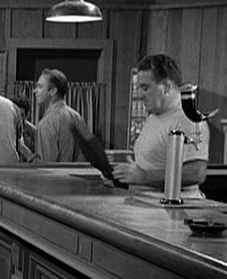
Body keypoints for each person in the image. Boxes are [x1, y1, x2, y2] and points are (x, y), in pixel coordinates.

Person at [110, 53, 210, 195]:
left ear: (167, 87)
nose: (141, 95)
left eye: (145, 88)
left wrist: (145, 176)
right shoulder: (154, 115)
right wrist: (121, 175)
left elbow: (196, 173)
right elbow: (150, 164)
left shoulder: (189, 119)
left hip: (174, 206)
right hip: (144, 201)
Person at [33, 68, 87, 162]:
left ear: (53, 91)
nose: (35, 91)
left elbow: (46, 166)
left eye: (40, 87)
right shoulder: (77, 117)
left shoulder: (46, 123)